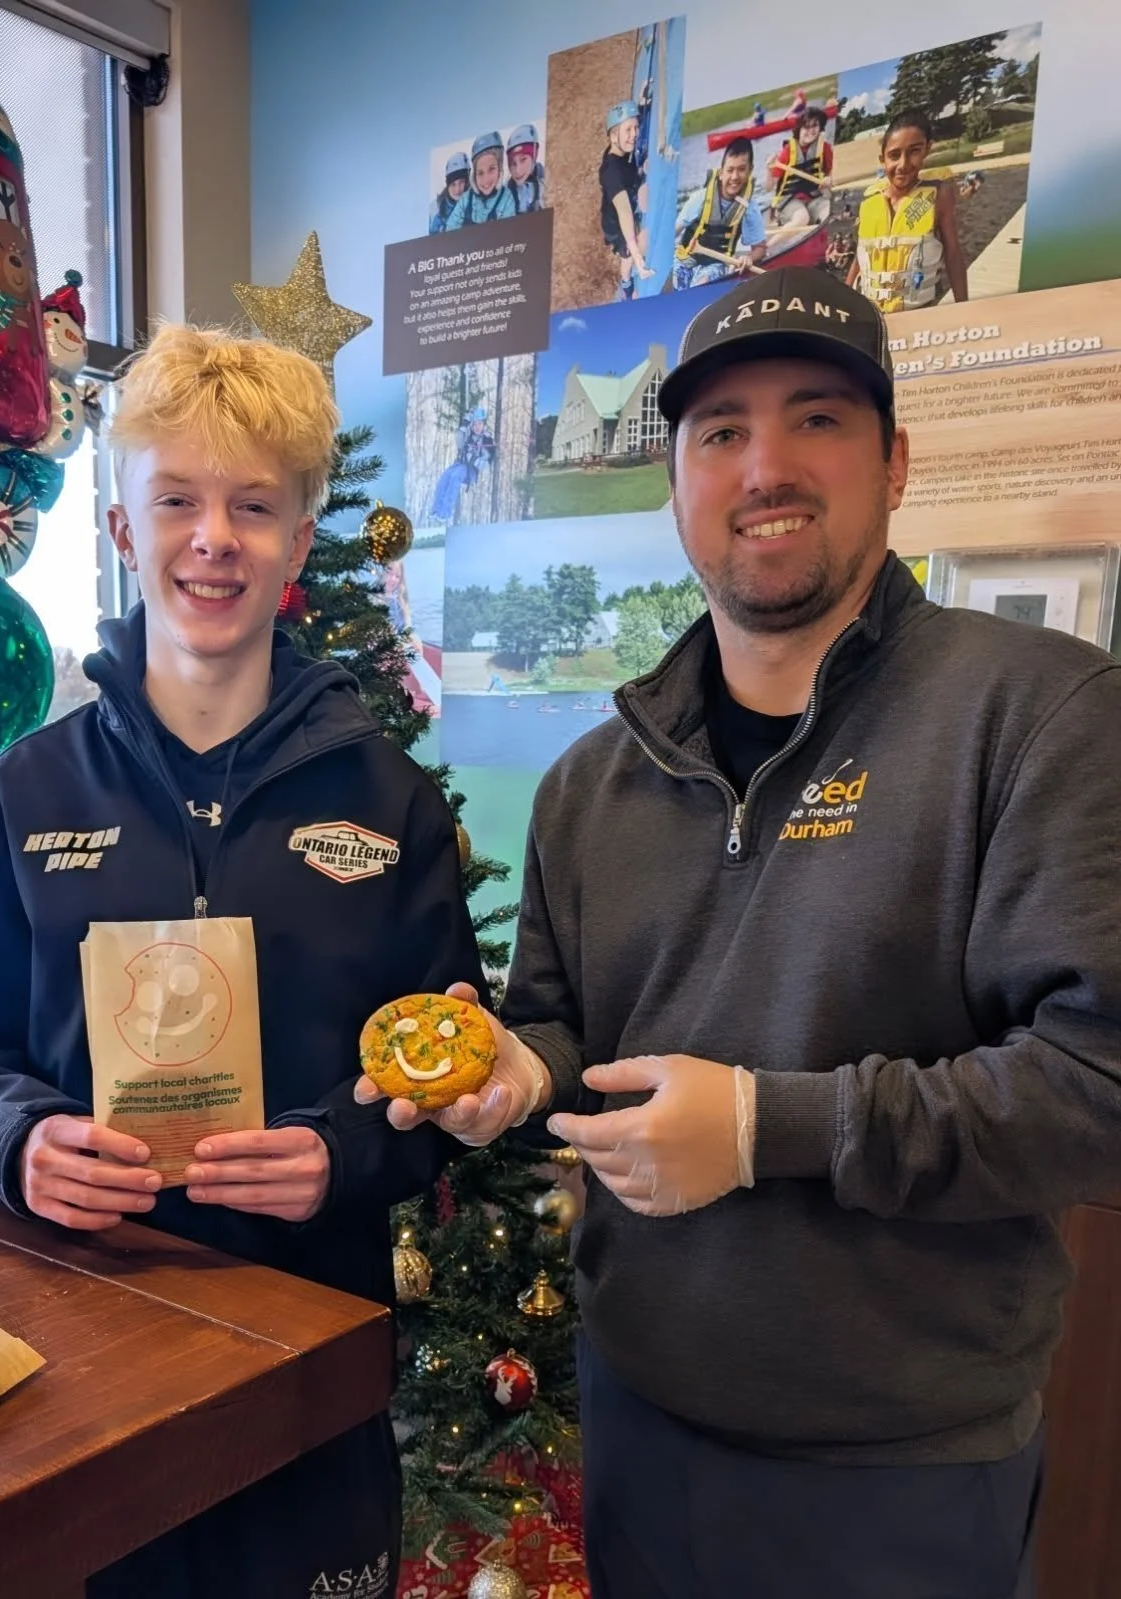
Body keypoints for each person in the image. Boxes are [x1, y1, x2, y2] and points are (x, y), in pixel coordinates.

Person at [361, 265, 1121, 1598]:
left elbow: (1097, 1088)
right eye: (720, 432)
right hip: (643, 1412)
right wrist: (516, 1074)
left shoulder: (1040, 714)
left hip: (903, 1460)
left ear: (894, 460)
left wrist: (770, 1125)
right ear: (678, 481)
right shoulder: (591, 781)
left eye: (816, 418)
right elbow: (557, 1024)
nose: (764, 465)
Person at [0, 323, 484, 1599]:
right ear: (121, 530)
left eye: (253, 506)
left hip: (307, 1377)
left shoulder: (390, 808)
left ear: (298, 545)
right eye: (178, 500)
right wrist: (18, 1142)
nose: (214, 537)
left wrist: (341, 1150)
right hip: (79, 1369)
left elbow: (448, 1079)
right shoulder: (18, 796)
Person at [850, 108, 968, 309]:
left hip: (920, 312)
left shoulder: (939, 195)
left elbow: (953, 252)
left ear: (927, 149)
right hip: (870, 314)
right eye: (894, 155)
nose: (903, 164)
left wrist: (963, 307)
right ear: (882, 159)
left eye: (914, 151)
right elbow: (860, 257)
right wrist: (844, 302)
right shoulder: (869, 199)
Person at [674, 137, 769, 288]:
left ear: (750, 170)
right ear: (721, 172)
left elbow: (761, 248)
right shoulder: (701, 198)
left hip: (716, 265)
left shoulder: (749, 207)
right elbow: (674, 231)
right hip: (684, 258)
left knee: (701, 284)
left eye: (742, 169)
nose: (735, 177)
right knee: (672, 283)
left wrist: (749, 258)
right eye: (730, 170)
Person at [598, 99, 654, 300]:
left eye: (636, 128)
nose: (635, 135)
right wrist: (636, 253)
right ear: (614, 136)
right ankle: (626, 282)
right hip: (615, 224)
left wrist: (641, 105)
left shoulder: (618, 151)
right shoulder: (611, 173)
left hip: (620, 208)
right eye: (628, 130)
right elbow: (624, 212)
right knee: (629, 253)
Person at [768, 104, 833, 228]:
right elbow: (770, 186)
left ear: (820, 127)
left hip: (813, 198)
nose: (811, 131)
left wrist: (829, 179)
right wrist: (769, 169)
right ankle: (768, 246)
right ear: (799, 130)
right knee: (802, 218)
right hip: (789, 201)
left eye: (815, 126)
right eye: (806, 127)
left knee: (828, 211)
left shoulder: (825, 148)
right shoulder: (788, 151)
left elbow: (831, 173)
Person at [429, 404, 496, 523]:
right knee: (444, 479)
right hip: (459, 464)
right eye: (474, 424)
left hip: (470, 471)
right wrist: (465, 423)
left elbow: (487, 464)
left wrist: (475, 459)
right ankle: (436, 511)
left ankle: (445, 514)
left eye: (479, 424)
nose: (477, 427)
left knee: (455, 478)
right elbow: (459, 441)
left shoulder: (487, 440)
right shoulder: (468, 435)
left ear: (484, 424)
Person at [446, 131, 516, 229]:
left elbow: (509, 231)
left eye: (491, 169)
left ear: (499, 168)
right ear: (474, 174)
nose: (485, 179)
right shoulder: (466, 199)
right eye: (480, 173)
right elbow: (450, 228)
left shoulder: (506, 198)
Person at [505, 123, 545, 214]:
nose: (517, 170)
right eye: (512, 163)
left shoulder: (547, 185)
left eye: (523, 160)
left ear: (534, 155)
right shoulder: (505, 194)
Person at [429, 149, 470, 234]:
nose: (457, 189)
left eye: (461, 182)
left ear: (467, 182)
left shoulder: (476, 202)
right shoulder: (438, 211)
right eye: (453, 184)